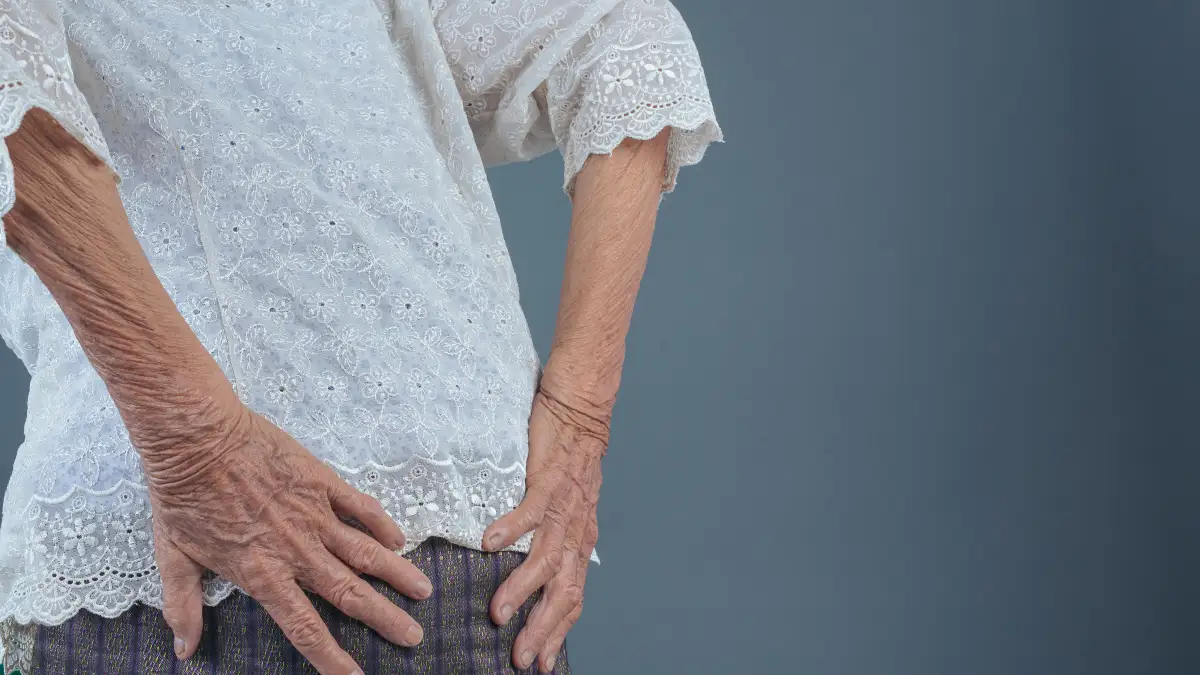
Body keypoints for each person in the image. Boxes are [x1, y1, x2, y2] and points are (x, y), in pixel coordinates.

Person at [0, 0, 720, 672]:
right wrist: (196, 444)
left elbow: (625, 37)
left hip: (233, 560)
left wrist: (582, 410)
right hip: (248, 553)